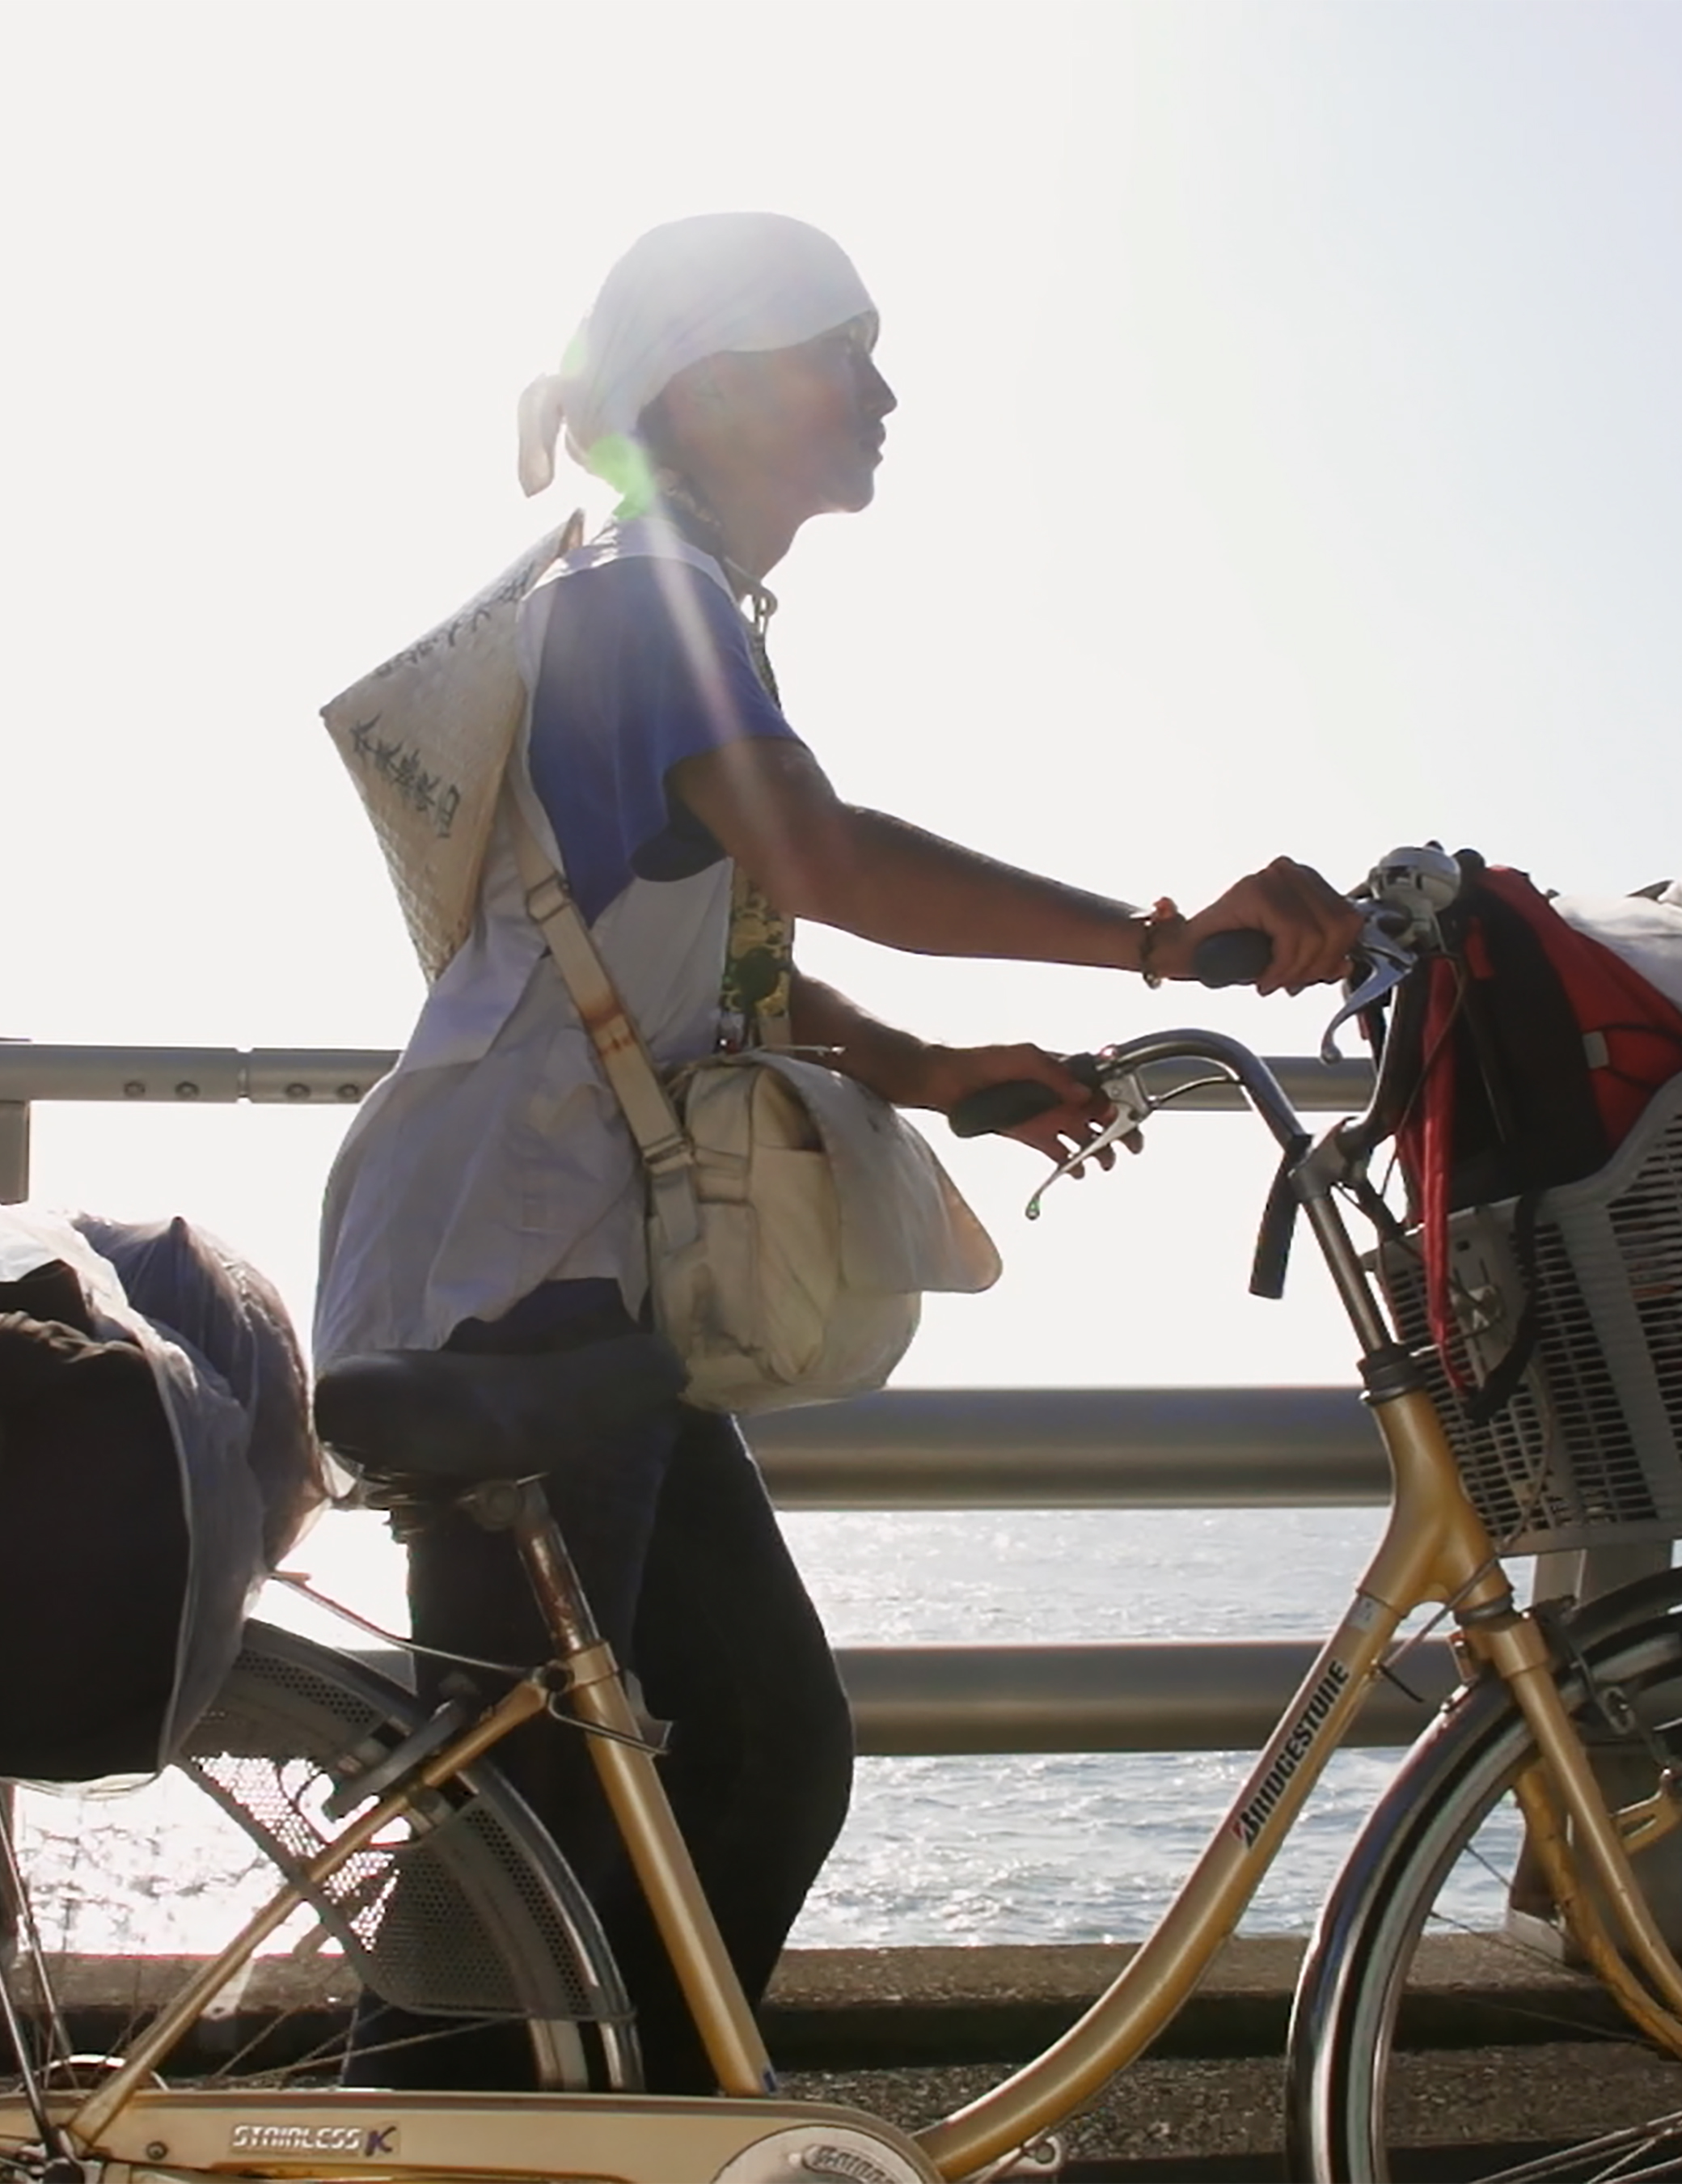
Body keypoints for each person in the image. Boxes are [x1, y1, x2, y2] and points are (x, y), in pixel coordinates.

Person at [315, 211, 1364, 2091]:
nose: (883, 392)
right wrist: (1153, 934)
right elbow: (823, 857)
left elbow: (735, 968)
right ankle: (456, 2127)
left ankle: (623, 2124)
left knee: (766, 1745)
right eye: (840, 351)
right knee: (527, 1845)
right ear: (712, 392)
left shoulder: (671, 603)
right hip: (515, 1275)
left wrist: (942, 1067)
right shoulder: (647, 598)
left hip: (576, 1281)